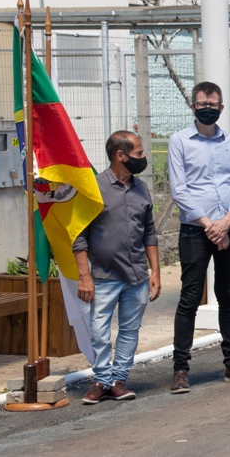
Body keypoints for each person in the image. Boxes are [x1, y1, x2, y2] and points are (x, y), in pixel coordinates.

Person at [168, 81, 230, 393]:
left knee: (228, 295)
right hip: (196, 229)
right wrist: (210, 226)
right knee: (190, 296)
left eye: (212, 105)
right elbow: (179, 190)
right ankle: (180, 369)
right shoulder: (179, 141)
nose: (207, 109)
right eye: (202, 104)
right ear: (192, 106)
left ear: (221, 108)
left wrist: (228, 221)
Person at [75, 131, 161, 404]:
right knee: (99, 331)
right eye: (139, 153)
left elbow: (149, 233)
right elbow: (79, 235)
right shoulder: (94, 188)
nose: (144, 157)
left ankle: (118, 380)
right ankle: (101, 380)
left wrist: (155, 272)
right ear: (120, 155)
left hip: (136, 277)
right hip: (103, 276)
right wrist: (84, 276)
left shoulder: (142, 189)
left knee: (130, 330)